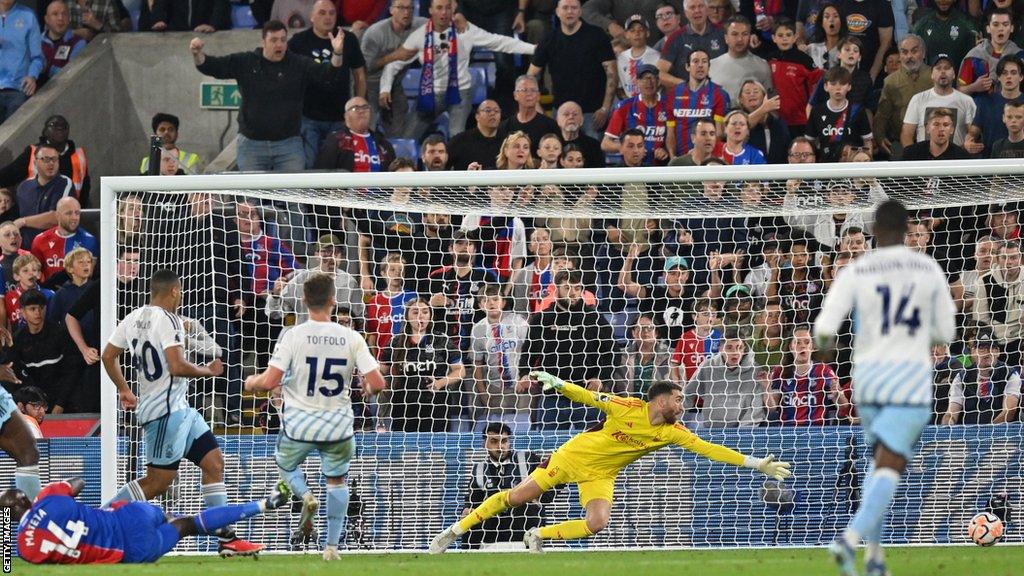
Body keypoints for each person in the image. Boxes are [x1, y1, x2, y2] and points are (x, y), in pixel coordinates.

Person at [429, 374, 791, 553]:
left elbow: (710, 449)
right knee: (516, 497)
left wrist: (756, 463)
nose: (683, 406)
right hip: (572, 457)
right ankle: (454, 532)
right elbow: (587, 396)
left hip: (601, 474)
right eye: (679, 400)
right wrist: (557, 384)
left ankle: (538, 535)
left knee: (597, 522)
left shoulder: (672, 432)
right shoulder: (626, 407)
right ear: (661, 399)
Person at [814, 199, 956, 576]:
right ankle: (849, 539)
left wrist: (828, 354)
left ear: (874, 232)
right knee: (892, 464)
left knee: (878, 464)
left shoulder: (858, 269)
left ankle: (875, 560)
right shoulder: (926, 269)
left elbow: (825, 330)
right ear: (907, 231)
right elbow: (946, 331)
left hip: (868, 380)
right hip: (908, 379)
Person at [100, 269, 263, 557]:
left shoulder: (133, 317)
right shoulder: (170, 320)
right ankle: (100, 521)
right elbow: (176, 366)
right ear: (175, 291)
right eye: (181, 291)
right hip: (164, 412)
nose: (182, 295)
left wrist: (124, 389)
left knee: (214, 463)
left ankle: (227, 539)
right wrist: (207, 371)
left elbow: (108, 355)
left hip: (180, 409)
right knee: (157, 482)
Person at [245, 272, 385, 560]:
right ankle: (332, 548)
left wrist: (250, 382)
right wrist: (368, 386)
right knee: (337, 481)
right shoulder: (352, 336)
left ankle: (305, 494)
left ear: (304, 300)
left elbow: (270, 381)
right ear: (333, 301)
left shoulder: (293, 335)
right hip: (338, 426)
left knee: (285, 463)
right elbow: (378, 383)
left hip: (300, 425)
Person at [4, 477, 289, 564]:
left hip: (130, 550)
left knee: (184, 527)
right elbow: (78, 483)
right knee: (186, 519)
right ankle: (261, 505)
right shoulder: (48, 498)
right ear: (26, 500)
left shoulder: (23, 547)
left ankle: (227, 539)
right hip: (126, 514)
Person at [191, 20, 349, 173]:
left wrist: (337, 52)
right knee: (250, 199)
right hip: (251, 145)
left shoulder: (298, 64)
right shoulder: (246, 62)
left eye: (283, 40)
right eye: (273, 40)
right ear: (263, 42)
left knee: (292, 198)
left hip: (289, 146)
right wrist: (197, 54)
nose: (279, 44)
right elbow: (212, 66)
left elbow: (328, 74)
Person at [379, 0, 534, 140]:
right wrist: (385, 89)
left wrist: (534, 49)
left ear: (453, 9)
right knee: (408, 137)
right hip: (430, 94)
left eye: (447, 8)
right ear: (430, 10)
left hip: (460, 93)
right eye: (439, 8)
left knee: (457, 140)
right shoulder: (419, 35)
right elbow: (395, 62)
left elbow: (500, 42)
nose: (444, 12)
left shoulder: (465, 30)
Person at [288, 0, 367, 168]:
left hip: (340, 117)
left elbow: (359, 74)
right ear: (311, 17)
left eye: (332, 13)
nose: (328, 17)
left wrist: (358, 104)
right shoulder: (298, 42)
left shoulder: (349, 39)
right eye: (322, 13)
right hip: (309, 117)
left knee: (339, 166)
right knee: (310, 165)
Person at [528, 0, 617, 141]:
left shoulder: (597, 35)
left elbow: (612, 74)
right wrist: (537, 109)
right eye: (565, 8)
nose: (570, 11)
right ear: (557, 12)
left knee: (592, 158)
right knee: (562, 158)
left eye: (574, 8)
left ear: (580, 11)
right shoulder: (549, 39)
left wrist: (605, 108)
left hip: (593, 113)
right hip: (561, 112)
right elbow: (530, 76)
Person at [460, 422, 551, 549]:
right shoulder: (479, 469)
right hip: (492, 532)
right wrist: (467, 510)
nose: (500, 446)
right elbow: (470, 501)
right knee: (469, 517)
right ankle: (468, 556)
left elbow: (552, 479)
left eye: (504, 441)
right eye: (494, 441)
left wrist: (539, 498)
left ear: (509, 442)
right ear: (484, 443)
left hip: (524, 527)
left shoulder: (528, 459)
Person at [381, 297, 465, 432]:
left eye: (425, 312)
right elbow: (381, 371)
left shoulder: (441, 339)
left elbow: (460, 370)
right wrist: (382, 385)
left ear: (430, 315)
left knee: (436, 450)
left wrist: (441, 383)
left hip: (436, 405)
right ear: (407, 316)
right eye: (415, 312)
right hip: (404, 406)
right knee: (407, 451)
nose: (421, 316)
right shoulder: (396, 342)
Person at [265, 233, 363, 328]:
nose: (332, 257)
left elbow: (359, 318)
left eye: (336, 253)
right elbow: (275, 313)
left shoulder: (349, 282)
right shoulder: (301, 279)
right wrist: (275, 295)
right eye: (326, 252)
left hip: (337, 340)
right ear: (317, 255)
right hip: (307, 338)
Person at [360, 0, 427, 138]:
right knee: (366, 128)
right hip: (368, 85)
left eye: (410, 8)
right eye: (401, 8)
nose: (407, 12)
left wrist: (457, 19)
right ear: (391, 10)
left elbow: (439, 24)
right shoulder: (375, 33)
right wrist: (393, 56)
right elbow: (364, 67)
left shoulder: (419, 25)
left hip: (394, 85)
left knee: (398, 132)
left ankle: (395, 155)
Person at [470, 284, 531, 432]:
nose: (491, 303)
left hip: (522, 386)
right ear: (480, 305)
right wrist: (483, 392)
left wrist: (527, 377)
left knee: (523, 428)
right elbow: (477, 364)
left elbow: (532, 352)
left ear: (503, 302)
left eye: (495, 299)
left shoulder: (518, 322)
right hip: (495, 388)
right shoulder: (478, 329)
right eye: (485, 300)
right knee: (497, 430)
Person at [942, 327, 1021, 425]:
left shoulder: (1010, 374)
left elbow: (1009, 411)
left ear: (998, 351)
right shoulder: (962, 377)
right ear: (972, 352)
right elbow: (951, 413)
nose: (987, 352)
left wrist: (986, 434)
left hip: (1001, 436)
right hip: (968, 436)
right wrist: (947, 429)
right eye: (981, 348)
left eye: (991, 347)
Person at [766, 325, 842, 426]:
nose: (803, 346)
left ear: (812, 347)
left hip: (817, 433)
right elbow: (771, 408)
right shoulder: (779, 371)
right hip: (787, 433)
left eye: (807, 342)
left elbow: (843, 406)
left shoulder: (824, 370)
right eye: (798, 342)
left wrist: (837, 393)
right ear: (790, 347)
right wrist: (766, 388)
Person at [873, 34, 931, 160]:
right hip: (900, 142)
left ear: (923, 53)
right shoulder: (890, 81)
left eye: (914, 51)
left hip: (931, 141)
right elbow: (882, 114)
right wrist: (880, 137)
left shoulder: (934, 76)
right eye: (904, 52)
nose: (909, 56)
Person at [901, 53, 977, 148]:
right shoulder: (918, 99)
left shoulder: (967, 101)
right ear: (932, 74)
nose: (943, 71)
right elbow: (907, 134)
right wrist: (913, 157)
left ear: (954, 74)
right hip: (925, 159)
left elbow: (973, 133)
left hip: (956, 159)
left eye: (947, 68)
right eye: (938, 68)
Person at [664, 50, 730, 159]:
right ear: (687, 66)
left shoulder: (719, 94)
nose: (700, 65)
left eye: (704, 62)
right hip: (680, 159)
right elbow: (670, 132)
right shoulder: (673, 94)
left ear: (709, 67)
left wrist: (703, 156)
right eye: (695, 61)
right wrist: (672, 157)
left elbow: (719, 133)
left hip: (707, 159)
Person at [601, 63, 669, 165]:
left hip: (660, 167)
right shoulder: (625, 106)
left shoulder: (669, 105)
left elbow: (674, 137)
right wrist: (630, 148)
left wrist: (665, 150)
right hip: (631, 168)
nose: (648, 82)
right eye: (643, 79)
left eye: (652, 78)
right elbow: (605, 144)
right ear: (636, 82)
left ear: (658, 81)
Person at [805, 66, 873, 162]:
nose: (838, 88)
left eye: (842, 84)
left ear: (849, 86)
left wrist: (868, 163)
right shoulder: (817, 111)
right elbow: (809, 142)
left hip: (852, 165)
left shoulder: (858, 110)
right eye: (833, 84)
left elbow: (867, 141)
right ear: (825, 86)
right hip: (826, 165)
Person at [14, 143, 74, 250]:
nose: (51, 163)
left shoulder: (64, 183)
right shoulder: (23, 187)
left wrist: (23, 221)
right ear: (35, 162)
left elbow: (57, 217)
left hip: (55, 252)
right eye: (46, 159)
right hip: (27, 254)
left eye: (54, 159)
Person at [975, 239, 1024, 369]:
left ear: (1020, 259)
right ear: (997, 259)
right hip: (996, 341)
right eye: (1004, 258)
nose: (1009, 262)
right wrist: (991, 342)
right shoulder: (985, 281)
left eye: (1013, 258)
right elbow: (980, 320)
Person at [312, 97, 395, 173]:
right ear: (346, 116)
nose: (361, 111)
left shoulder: (383, 144)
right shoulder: (336, 140)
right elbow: (323, 171)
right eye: (355, 108)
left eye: (365, 107)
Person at [30, 196, 96, 287]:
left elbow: (89, 276)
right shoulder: (40, 240)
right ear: (57, 215)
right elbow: (34, 273)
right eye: (69, 213)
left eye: (77, 213)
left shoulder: (89, 240)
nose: (74, 217)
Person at [709, 15, 772, 103]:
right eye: (735, 34)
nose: (740, 39)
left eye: (745, 34)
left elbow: (769, 103)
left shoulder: (762, 66)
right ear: (726, 38)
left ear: (750, 36)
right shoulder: (711, 66)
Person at [959, 8, 1021, 94]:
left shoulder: (1020, 56)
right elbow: (959, 91)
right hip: (980, 106)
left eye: (1005, 25)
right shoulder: (974, 57)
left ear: (1011, 28)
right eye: (996, 25)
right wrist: (973, 87)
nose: (1000, 29)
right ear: (988, 28)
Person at [0, 0, 42, 123]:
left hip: (17, 88)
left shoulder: (28, 16)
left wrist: (32, 76)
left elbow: (38, 57)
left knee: (13, 139)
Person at [499, 75, 560, 156]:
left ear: (538, 96)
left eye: (533, 90)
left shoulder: (550, 126)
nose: (529, 94)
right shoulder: (504, 127)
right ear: (515, 95)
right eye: (524, 90)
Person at [139, 113, 204, 175]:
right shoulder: (146, 161)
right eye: (162, 129)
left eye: (170, 129)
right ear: (155, 134)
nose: (166, 132)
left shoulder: (192, 158)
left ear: (177, 134)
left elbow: (194, 184)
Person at [447, 99, 503, 170]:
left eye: (496, 111)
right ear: (477, 116)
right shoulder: (461, 140)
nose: (493, 113)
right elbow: (444, 163)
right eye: (488, 110)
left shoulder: (506, 142)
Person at [40, 0, 85, 85]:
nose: (60, 18)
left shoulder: (78, 43)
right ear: (47, 19)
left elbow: (71, 74)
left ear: (69, 19)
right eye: (55, 14)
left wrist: (47, 68)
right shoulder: (35, 42)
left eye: (64, 14)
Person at [615, 15, 661, 99]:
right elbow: (619, 86)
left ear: (647, 33)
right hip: (629, 104)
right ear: (626, 34)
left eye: (641, 30)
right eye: (632, 30)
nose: (637, 33)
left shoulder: (657, 56)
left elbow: (661, 85)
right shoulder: (621, 58)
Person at [901, 107, 971, 160]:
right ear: (927, 128)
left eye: (946, 125)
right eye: (936, 124)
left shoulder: (961, 157)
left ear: (952, 130)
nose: (941, 129)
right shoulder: (911, 153)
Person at [556, 100, 605, 168]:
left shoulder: (594, 146)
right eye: (566, 114)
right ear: (558, 120)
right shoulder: (550, 144)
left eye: (575, 114)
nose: (571, 117)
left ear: (582, 120)